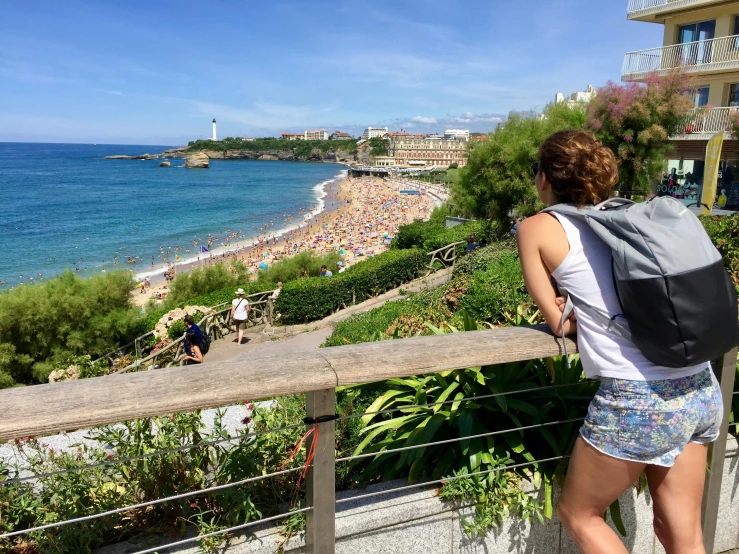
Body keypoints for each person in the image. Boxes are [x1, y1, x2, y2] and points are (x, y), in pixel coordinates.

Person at [516, 130, 723, 553]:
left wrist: (570, 310)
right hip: (700, 387)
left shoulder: (537, 227)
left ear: (545, 179)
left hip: (638, 400)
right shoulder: (633, 216)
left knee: (579, 515)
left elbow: (557, 323)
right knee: (682, 534)